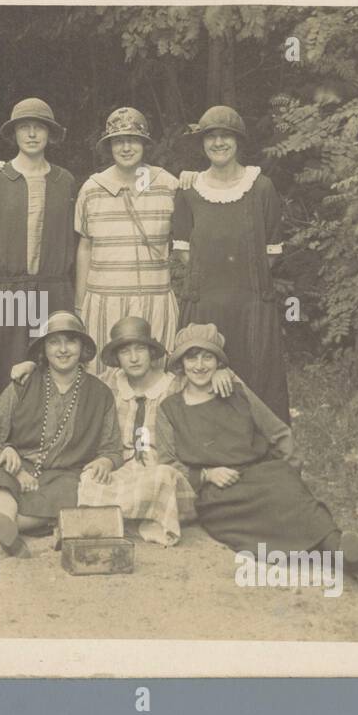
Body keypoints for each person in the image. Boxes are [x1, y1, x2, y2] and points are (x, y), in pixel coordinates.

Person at [154, 323, 358, 579]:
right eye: (192, 357)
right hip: (221, 495)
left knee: (296, 500)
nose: (199, 365)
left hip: (263, 473)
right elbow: (167, 463)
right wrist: (205, 475)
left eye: (207, 356)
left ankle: (357, 558)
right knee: (273, 533)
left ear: (218, 362)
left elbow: (279, 432)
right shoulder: (169, 409)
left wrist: (291, 476)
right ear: (181, 363)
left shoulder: (237, 393)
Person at [0, 311, 123, 557]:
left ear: (82, 348)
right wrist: (11, 462)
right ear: (43, 349)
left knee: (78, 493)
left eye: (70, 341)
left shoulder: (100, 393)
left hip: (65, 475)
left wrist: (106, 460)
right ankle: (6, 527)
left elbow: (111, 447)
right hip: (18, 468)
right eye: (53, 342)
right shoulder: (23, 384)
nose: (62, 350)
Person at [172, 105, 291, 421]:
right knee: (200, 380)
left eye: (226, 136)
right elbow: (184, 252)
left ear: (238, 141)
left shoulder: (261, 187)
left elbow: (272, 251)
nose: (218, 143)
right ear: (202, 144)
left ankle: (262, 454)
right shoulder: (189, 190)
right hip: (204, 306)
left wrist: (245, 283)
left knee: (256, 382)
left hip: (250, 305)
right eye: (211, 137)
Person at [74, 315, 230, 546]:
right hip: (123, 469)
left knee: (161, 479)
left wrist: (223, 370)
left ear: (151, 352)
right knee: (89, 479)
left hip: (166, 467)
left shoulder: (175, 384)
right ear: (117, 357)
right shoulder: (108, 383)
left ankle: (116, 521)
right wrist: (32, 366)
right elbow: (67, 377)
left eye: (140, 350)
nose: (134, 358)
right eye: (126, 352)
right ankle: (138, 521)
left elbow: (202, 374)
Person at [0, 99, 78, 409]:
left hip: (52, 289)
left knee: (51, 365)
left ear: (49, 134)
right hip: (4, 289)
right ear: (13, 134)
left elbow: (72, 237)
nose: (31, 135)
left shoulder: (64, 181)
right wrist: (4, 266)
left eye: (38, 128)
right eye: (24, 128)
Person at [74, 108, 182, 374]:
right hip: (104, 299)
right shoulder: (92, 188)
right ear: (109, 145)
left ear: (145, 144)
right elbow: (85, 247)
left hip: (154, 298)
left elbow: (185, 242)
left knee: (157, 373)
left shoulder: (168, 184)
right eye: (118, 140)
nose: (126, 147)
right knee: (103, 373)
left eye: (133, 140)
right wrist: (80, 302)